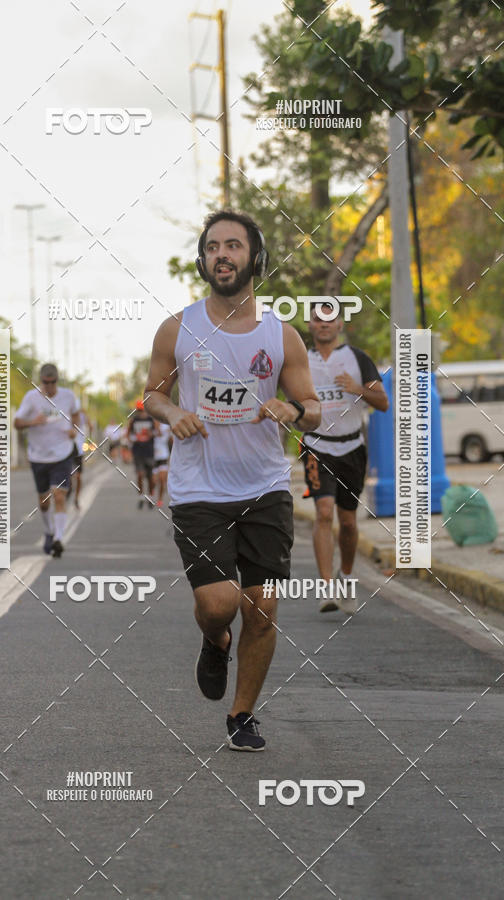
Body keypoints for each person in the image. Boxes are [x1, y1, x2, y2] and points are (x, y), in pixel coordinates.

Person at [144, 209, 321, 751]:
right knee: (220, 604)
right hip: (199, 487)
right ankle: (215, 639)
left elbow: (313, 407)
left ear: (254, 258)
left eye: (234, 246)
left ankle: (242, 715)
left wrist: (292, 410)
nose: (222, 254)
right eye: (213, 247)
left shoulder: (281, 336)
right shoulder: (178, 328)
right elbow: (152, 394)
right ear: (203, 260)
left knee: (262, 609)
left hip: (265, 486)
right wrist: (172, 414)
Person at [299, 302, 389, 613]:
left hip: (352, 449)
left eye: (329, 319)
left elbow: (383, 403)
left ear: (340, 325)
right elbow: (292, 402)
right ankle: (326, 588)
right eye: (317, 319)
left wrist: (356, 388)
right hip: (316, 446)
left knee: (348, 522)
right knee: (324, 513)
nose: (323, 324)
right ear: (310, 325)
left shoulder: (357, 358)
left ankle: (346, 579)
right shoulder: (300, 360)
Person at [14, 364, 80, 558]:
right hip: (38, 456)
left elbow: (76, 414)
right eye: (45, 383)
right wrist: (33, 422)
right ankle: (49, 531)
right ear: (40, 381)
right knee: (44, 502)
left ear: (57, 381)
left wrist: (73, 430)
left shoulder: (68, 396)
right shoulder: (31, 398)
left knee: (58, 495)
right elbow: (17, 423)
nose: (49, 386)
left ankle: (59, 539)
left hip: (62, 454)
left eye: (53, 383)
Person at [127, 400, 158, 509]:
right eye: (139, 411)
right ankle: (141, 497)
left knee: (150, 477)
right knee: (140, 474)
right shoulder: (133, 421)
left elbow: (157, 432)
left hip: (149, 451)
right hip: (138, 452)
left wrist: (151, 433)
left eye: (142, 410)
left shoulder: (151, 420)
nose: (141, 413)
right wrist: (133, 439)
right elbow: (128, 435)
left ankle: (150, 497)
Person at [71, 408, 90, 510]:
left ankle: (76, 498)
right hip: (66, 451)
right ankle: (67, 493)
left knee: (78, 476)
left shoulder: (82, 417)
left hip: (78, 451)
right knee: (68, 476)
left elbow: (90, 425)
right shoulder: (65, 416)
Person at [153, 421, 172, 507]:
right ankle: (151, 492)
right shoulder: (150, 425)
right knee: (154, 480)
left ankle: (160, 499)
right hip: (153, 456)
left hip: (163, 455)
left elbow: (171, 439)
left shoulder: (166, 426)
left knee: (162, 480)